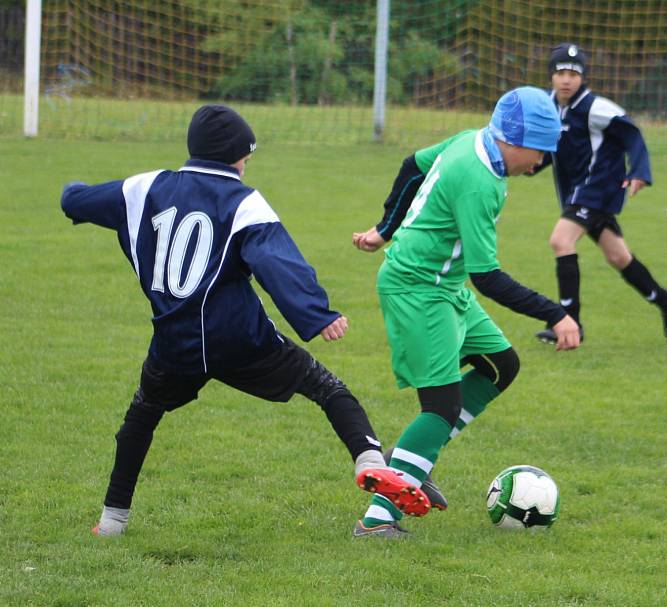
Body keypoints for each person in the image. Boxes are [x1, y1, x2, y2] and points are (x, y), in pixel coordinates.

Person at [60, 104, 430, 537]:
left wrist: (73, 191)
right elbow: (278, 263)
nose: (246, 163)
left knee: (140, 420)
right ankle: (370, 461)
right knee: (328, 389)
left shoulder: (144, 187)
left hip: (174, 342)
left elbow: (76, 201)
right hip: (239, 339)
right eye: (246, 156)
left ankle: (111, 522)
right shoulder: (244, 201)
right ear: (235, 157)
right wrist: (317, 315)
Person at [351, 87, 581, 538]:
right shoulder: (480, 181)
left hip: (445, 285)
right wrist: (556, 314)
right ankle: (378, 521)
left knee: (501, 366)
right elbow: (489, 277)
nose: (539, 164)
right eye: (538, 152)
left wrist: (384, 230)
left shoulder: (470, 139)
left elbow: (411, 166)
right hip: (419, 290)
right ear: (514, 140)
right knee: (441, 406)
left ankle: (413, 464)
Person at [531, 42, 667, 345]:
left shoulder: (597, 108)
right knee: (618, 257)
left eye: (573, 74)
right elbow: (557, 146)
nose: (566, 79)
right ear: (551, 75)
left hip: (598, 189)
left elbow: (633, 135)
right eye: (560, 72)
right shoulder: (549, 106)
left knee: (561, 240)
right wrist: (533, 163)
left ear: (583, 77)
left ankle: (570, 322)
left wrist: (639, 171)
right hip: (577, 194)